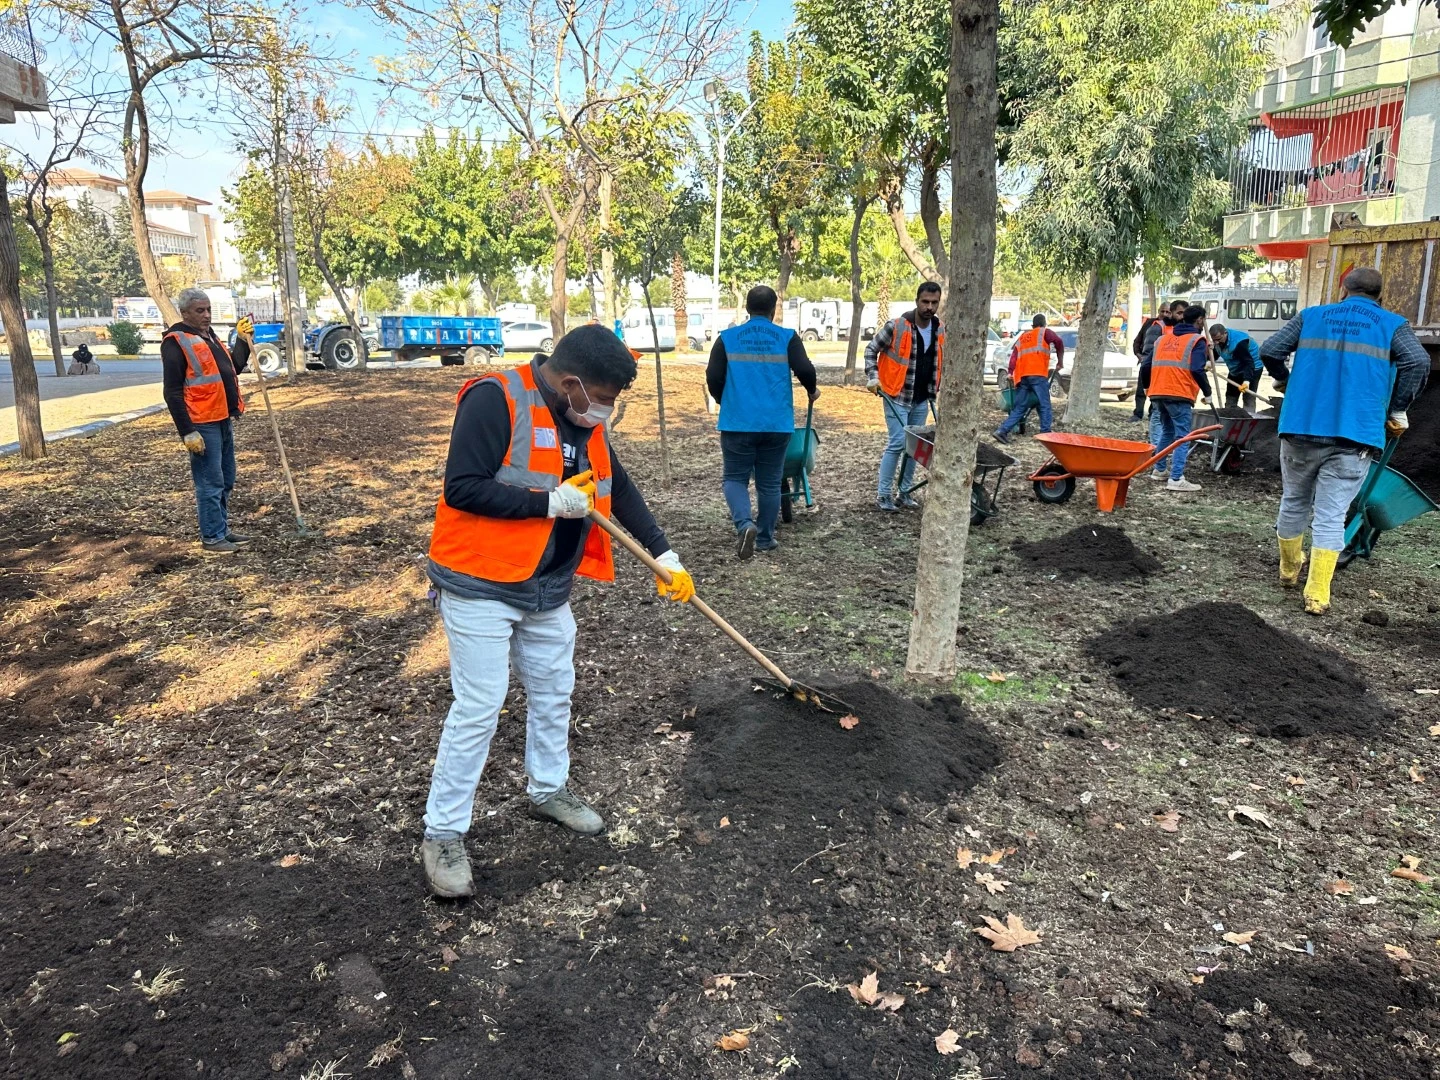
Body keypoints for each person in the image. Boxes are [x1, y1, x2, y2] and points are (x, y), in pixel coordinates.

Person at [421, 325, 696, 898]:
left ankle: (548, 790)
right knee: (479, 705)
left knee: (554, 691)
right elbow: (462, 488)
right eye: (604, 399)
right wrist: (548, 503)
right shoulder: (495, 399)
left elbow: (619, 487)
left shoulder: (581, 419)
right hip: (480, 585)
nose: (605, 411)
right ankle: (443, 833)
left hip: (547, 588)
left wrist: (663, 553)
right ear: (572, 383)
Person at [1259, 267, 1429, 616]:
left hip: (1301, 427)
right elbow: (1417, 360)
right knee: (1332, 515)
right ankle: (1317, 593)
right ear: (1380, 294)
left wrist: (1284, 380)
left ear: (1343, 288)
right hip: (1356, 434)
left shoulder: (1311, 316)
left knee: (1294, 500)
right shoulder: (1391, 324)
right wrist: (1398, 409)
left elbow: (1271, 348)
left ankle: (1289, 570)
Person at [706, 285, 819, 558]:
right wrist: (811, 389)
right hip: (776, 424)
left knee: (734, 478)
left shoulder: (727, 338)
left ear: (747, 308)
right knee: (769, 483)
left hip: (737, 422)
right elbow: (805, 368)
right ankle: (766, 538)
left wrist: (724, 400)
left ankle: (744, 524)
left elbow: (713, 375)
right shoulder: (787, 337)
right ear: (773, 309)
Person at [161, 289, 253, 554]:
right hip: (202, 423)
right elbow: (172, 392)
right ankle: (212, 537)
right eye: (200, 311)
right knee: (210, 481)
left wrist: (243, 340)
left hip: (222, 417)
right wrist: (187, 432)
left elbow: (232, 367)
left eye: (209, 310)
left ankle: (222, 529)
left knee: (226, 478)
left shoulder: (209, 337)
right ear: (185, 312)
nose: (207, 315)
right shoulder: (176, 341)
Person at [865, 282, 945, 511]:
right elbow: (871, 350)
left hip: (922, 398)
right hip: (896, 395)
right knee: (898, 442)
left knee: (915, 447)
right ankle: (883, 495)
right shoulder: (897, 326)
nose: (929, 307)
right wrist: (873, 376)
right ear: (917, 301)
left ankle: (905, 493)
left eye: (934, 303)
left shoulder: (940, 330)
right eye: (925, 302)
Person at [1147, 304, 1212, 492]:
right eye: (1203, 320)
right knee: (1183, 436)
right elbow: (1197, 369)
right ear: (1199, 320)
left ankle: (1159, 470)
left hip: (1158, 391)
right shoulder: (1196, 340)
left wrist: (1147, 386)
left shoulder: (1163, 339)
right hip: (1179, 393)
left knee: (1167, 431)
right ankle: (1176, 478)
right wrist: (1207, 393)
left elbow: (1146, 366)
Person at [993, 314, 1064, 444]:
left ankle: (1002, 431)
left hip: (1022, 377)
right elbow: (1059, 342)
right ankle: (1046, 433)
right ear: (1044, 324)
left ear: (1032, 325)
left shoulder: (1023, 337)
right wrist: (1060, 361)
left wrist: (1010, 372)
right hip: (1037, 374)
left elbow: (1014, 356)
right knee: (1044, 404)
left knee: (1020, 407)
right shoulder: (1045, 332)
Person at [1131, 300, 1189, 422]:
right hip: (1146, 361)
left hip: (1160, 365)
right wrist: (1139, 355)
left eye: (1168, 312)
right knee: (1141, 389)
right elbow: (1138, 340)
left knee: (1156, 392)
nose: (1165, 314)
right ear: (1158, 311)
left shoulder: (1175, 327)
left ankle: (1153, 414)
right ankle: (1137, 413)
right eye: (1162, 311)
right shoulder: (1151, 323)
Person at [1208, 323, 1262, 411]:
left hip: (1253, 367)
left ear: (1225, 333)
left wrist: (1247, 381)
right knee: (1231, 395)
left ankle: (1249, 419)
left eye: (1218, 339)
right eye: (1214, 340)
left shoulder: (1239, 343)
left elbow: (1249, 363)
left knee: (1248, 397)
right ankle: (1230, 414)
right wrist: (1209, 361)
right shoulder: (1218, 341)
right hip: (1235, 368)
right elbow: (1216, 352)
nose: (1216, 342)